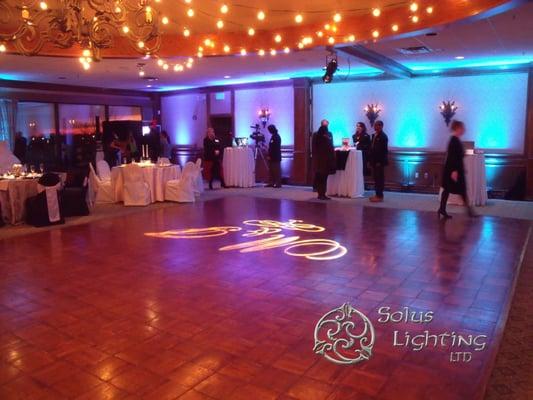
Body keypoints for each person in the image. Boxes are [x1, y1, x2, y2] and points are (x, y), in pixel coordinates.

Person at [439, 120, 476, 219]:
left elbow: (458, 156)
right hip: (453, 170)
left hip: (454, 169)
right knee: (459, 189)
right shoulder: (453, 140)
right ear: (457, 128)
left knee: (450, 190)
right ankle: (469, 212)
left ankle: (442, 209)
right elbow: (452, 157)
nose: (464, 130)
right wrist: (454, 171)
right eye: (462, 128)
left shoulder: (455, 140)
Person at [312, 125, 335, 200]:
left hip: (317, 161)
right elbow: (330, 150)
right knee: (324, 178)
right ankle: (322, 194)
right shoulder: (326, 139)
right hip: (325, 162)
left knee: (319, 178)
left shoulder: (316, 137)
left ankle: (320, 194)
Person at [369, 120, 388, 202]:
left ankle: (380, 195)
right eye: (375, 125)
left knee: (379, 178)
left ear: (381, 126)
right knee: (376, 178)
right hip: (374, 160)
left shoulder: (383, 136)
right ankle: (377, 194)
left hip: (379, 161)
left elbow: (382, 151)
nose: (375, 127)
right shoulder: (374, 135)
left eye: (377, 125)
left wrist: (379, 162)